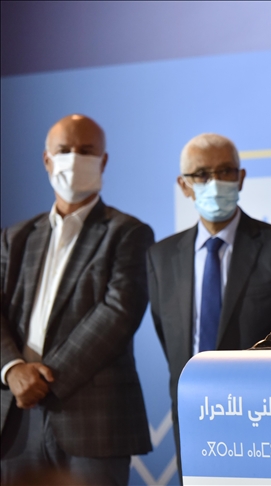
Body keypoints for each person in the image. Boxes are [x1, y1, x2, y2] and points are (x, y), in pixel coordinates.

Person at [0, 114, 153, 485]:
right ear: (47, 160)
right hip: (17, 419)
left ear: (103, 161)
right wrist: (13, 369)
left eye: (86, 151)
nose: (73, 159)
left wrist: (44, 380)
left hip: (93, 423)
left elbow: (118, 313)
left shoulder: (128, 232)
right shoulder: (16, 237)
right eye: (64, 150)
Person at [146, 133, 271, 472]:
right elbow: (169, 337)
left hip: (264, 416)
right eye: (201, 174)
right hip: (191, 414)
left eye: (224, 171)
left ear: (241, 177)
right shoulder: (160, 258)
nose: (215, 182)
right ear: (184, 185)